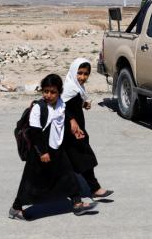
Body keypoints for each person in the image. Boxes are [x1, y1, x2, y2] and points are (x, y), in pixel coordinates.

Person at [9, 74, 97, 220]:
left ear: (59, 92)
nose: (48, 95)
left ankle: (77, 203)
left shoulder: (60, 103)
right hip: (39, 151)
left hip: (56, 148)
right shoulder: (39, 108)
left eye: (53, 92)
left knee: (68, 174)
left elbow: (64, 113)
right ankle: (16, 208)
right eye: (46, 91)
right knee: (31, 181)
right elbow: (35, 132)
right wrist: (42, 152)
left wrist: (73, 123)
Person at [61, 58, 113, 199]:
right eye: (79, 73)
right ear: (73, 72)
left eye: (86, 74)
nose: (82, 77)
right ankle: (94, 189)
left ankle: (86, 191)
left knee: (76, 161)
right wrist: (72, 121)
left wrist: (83, 104)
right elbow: (61, 108)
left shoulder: (76, 87)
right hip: (71, 132)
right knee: (84, 158)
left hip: (77, 130)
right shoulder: (68, 88)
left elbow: (74, 103)